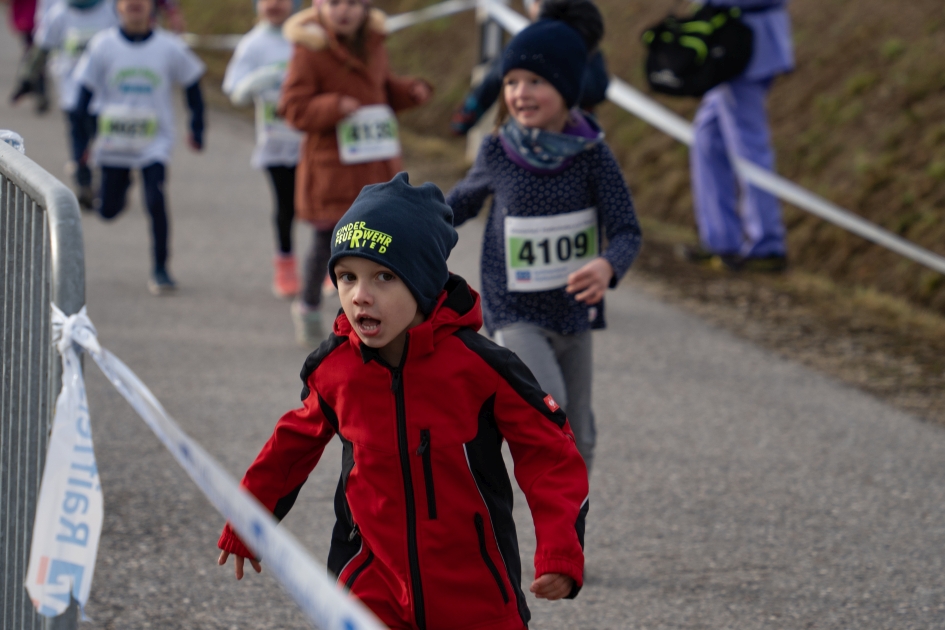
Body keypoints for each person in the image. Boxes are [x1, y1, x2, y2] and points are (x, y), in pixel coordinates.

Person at [217, 172, 589, 630]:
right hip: (368, 583)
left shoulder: (480, 367)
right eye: (346, 277)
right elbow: (290, 448)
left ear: (425, 284)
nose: (360, 296)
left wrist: (559, 551)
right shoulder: (333, 368)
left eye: (384, 277)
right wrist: (248, 522)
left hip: (475, 592)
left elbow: (550, 453)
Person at [445, 18, 642, 475]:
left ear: (567, 88)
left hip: (573, 309)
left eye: (536, 81)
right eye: (512, 81)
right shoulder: (497, 151)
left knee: (580, 432)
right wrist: (405, 233)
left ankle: (570, 532)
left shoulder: (592, 154)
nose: (520, 92)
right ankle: (493, 458)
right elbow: (458, 206)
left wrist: (608, 267)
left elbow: (627, 231)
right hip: (514, 310)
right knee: (554, 409)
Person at [279, 0, 432, 348]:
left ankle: (379, 316)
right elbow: (292, 106)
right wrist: (334, 106)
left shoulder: (374, 43)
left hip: (376, 163)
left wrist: (408, 91)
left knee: (380, 242)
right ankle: (309, 308)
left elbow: (380, 88)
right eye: (334, 3)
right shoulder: (309, 48)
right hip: (332, 168)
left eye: (353, 3)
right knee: (326, 242)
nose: (343, 10)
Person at [73, 0, 205, 294]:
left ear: (152, 7)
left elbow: (193, 84)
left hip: (153, 143)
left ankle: (160, 269)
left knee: (156, 201)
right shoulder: (102, 45)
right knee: (107, 210)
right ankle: (117, 193)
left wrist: (197, 128)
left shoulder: (168, 47)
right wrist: (82, 146)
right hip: (113, 144)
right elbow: (82, 96)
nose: (134, 4)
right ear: (117, 6)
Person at [679, 0, 794, 272]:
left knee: (749, 146)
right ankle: (720, 239)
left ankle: (767, 245)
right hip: (733, 44)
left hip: (746, 48)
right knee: (707, 139)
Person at [223, 0, 304, 299]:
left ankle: (330, 267)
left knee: (320, 206)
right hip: (276, 142)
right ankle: (285, 265)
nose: (274, 4)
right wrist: (258, 81)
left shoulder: (307, 36)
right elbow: (234, 91)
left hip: (312, 141)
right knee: (286, 206)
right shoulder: (252, 44)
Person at [450, 0, 610, 136]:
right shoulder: (527, 43)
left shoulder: (584, 49)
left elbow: (597, 89)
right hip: (534, 132)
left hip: (573, 131)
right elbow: (494, 78)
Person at [34, 0, 118, 210]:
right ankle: (84, 184)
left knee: (104, 140)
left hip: (104, 95)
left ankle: (110, 182)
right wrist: (28, 77)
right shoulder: (60, 13)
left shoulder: (109, 10)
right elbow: (43, 46)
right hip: (71, 93)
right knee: (79, 138)